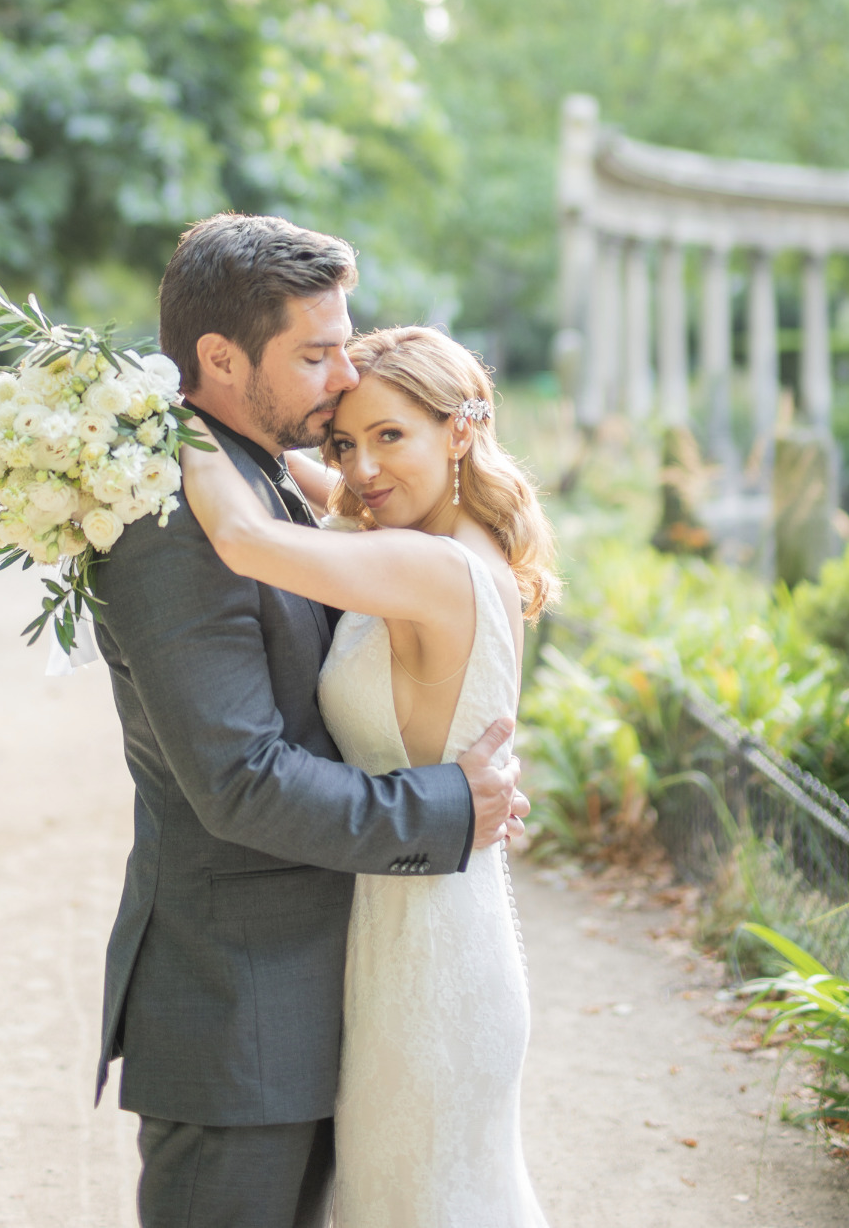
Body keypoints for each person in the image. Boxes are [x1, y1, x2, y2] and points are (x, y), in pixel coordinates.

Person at [91, 214, 528, 1228]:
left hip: (344, 986)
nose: (341, 379)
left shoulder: (279, 482)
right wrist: (448, 806)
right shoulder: (175, 517)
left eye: (347, 347)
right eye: (316, 353)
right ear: (218, 357)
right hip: (236, 1011)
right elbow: (240, 777)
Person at [181, 323, 556, 1227]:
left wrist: (156, 412)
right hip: (420, 918)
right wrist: (332, 461)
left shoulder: (426, 565)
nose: (362, 467)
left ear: (461, 429)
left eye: (392, 435)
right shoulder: (434, 539)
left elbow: (240, 534)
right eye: (347, 441)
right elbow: (310, 489)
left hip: (430, 959)